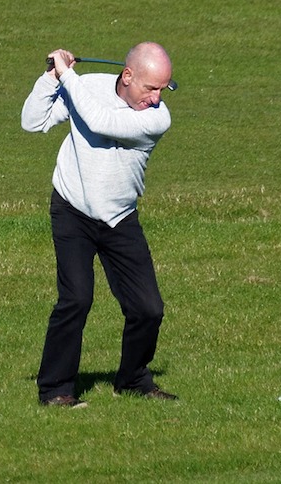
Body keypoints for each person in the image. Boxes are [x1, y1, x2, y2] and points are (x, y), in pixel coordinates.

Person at [20, 42, 178, 408]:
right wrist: (50, 78)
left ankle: (133, 379)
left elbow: (100, 121)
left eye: (162, 89)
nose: (155, 98)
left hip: (119, 217)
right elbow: (32, 122)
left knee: (148, 309)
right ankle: (55, 390)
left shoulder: (156, 119)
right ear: (127, 76)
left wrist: (68, 76)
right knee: (76, 298)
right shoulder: (87, 86)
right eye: (150, 88)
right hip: (72, 209)